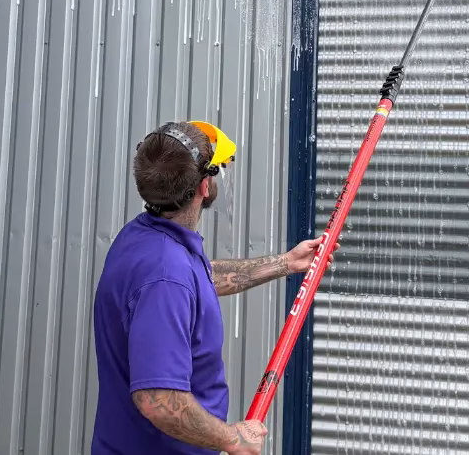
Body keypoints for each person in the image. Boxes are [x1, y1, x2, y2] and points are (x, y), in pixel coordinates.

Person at [91, 121, 337, 455]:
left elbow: (199, 280)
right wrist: (233, 439)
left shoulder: (144, 239)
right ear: (204, 186)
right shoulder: (166, 276)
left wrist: (287, 263)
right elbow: (157, 400)